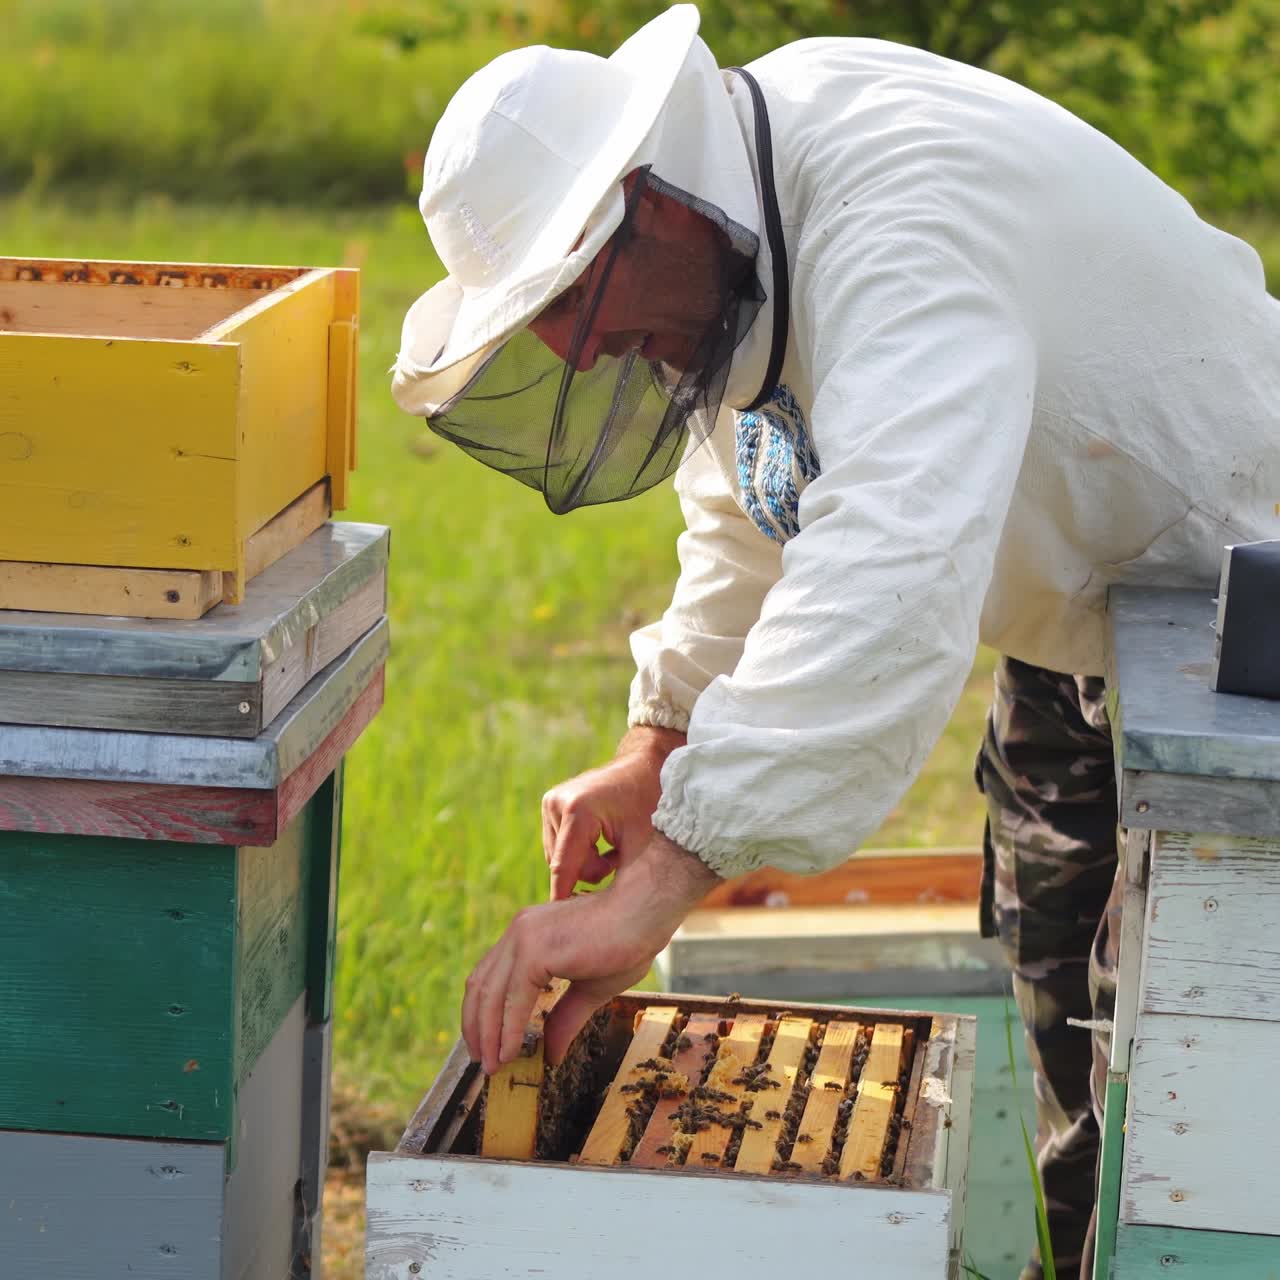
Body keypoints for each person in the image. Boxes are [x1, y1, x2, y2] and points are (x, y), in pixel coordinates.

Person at [390, 6, 1280, 1276]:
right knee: (1081, 1064)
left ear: (651, 198)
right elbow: (766, 489)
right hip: (1075, 615)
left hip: (1238, 627)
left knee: (1198, 1115)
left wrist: (659, 885)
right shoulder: (748, 210)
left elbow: (889, 555)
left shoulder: (895, 211)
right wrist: (661, 738)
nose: (580, 352)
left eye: (578, 298)